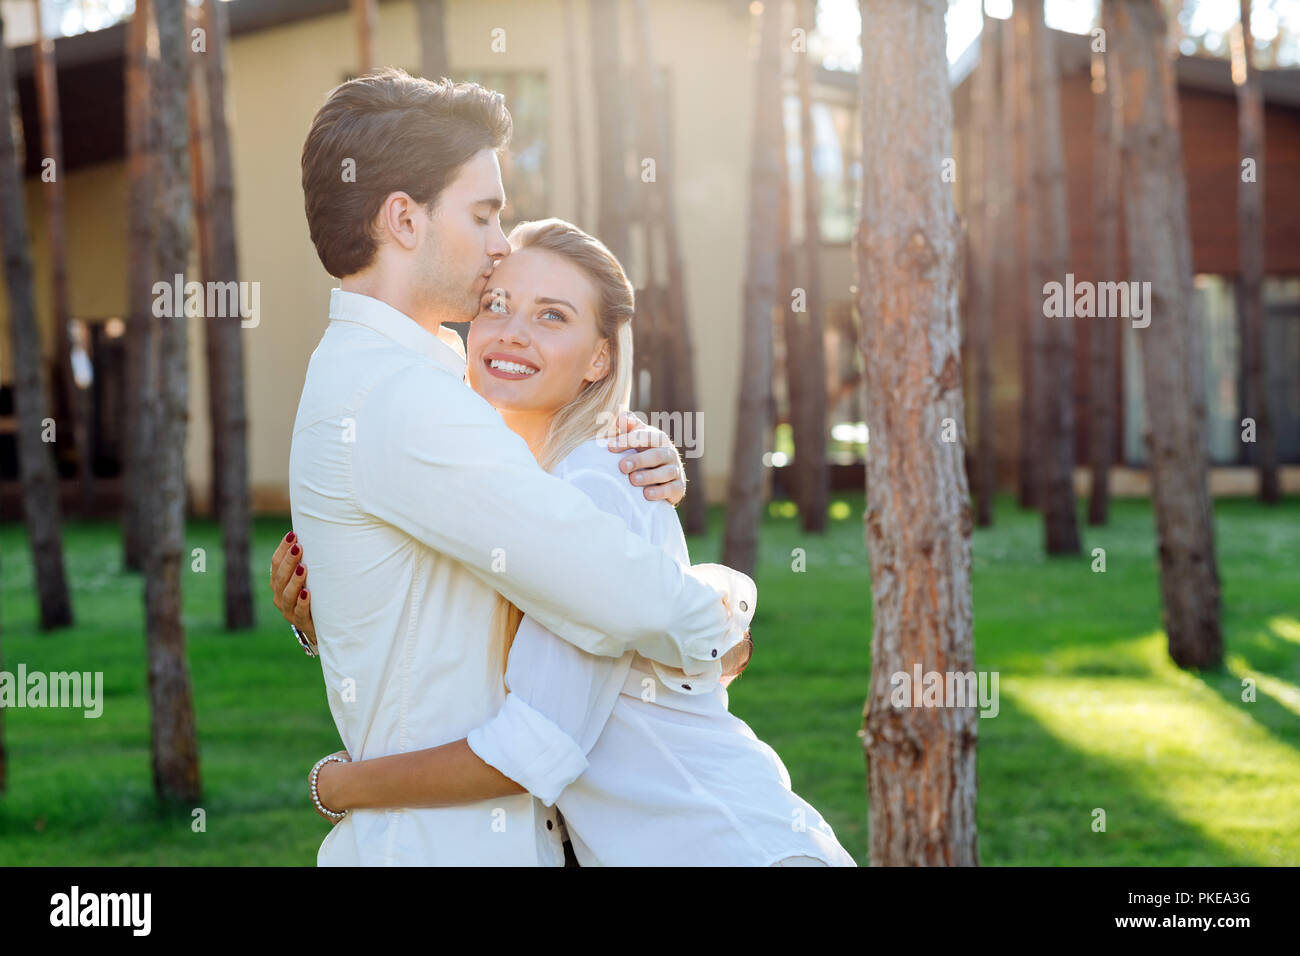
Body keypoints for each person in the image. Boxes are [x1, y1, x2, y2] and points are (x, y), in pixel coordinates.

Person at [274, 217, 856, 867]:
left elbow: (530, 749)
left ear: (600, 357)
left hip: (726, 844)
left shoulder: (599, 480)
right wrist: (327, 623)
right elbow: (466, 644)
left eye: (552, 316)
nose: (513, 331)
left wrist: (337, 784)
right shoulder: (514, 493)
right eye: (497, 304)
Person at [289, 68, 752, 866]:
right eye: (483, 213)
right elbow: (611, 583)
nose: (501, 244)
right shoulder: (399, 398)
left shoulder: (394, 374)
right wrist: (730, 608)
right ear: (403, 218)